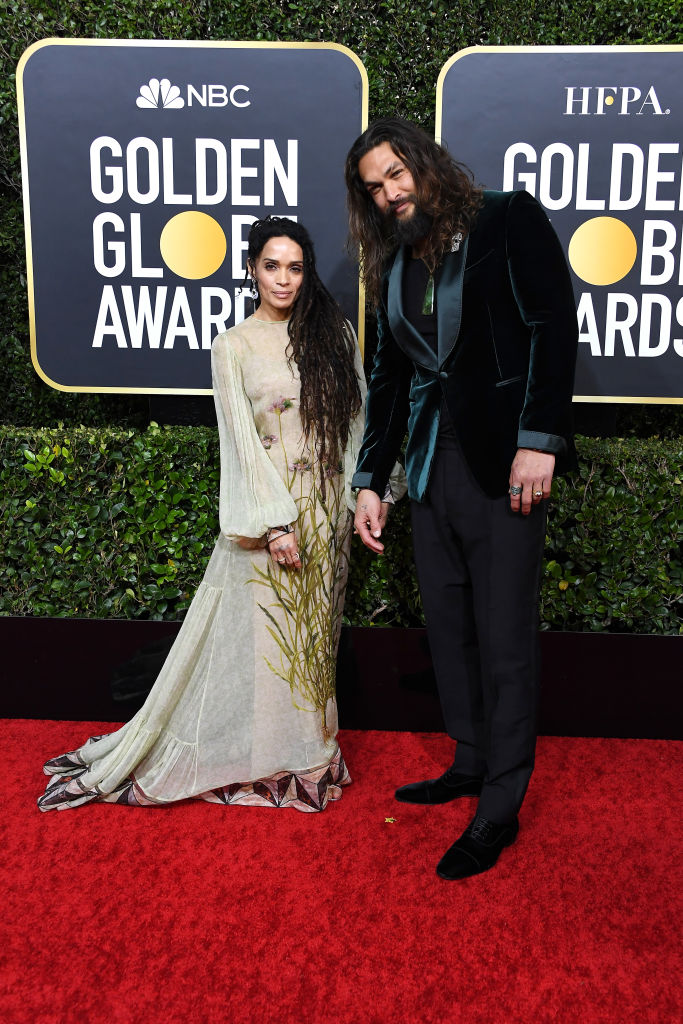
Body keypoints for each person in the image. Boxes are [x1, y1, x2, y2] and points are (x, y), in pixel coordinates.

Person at [38, 216, 369, 814]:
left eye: (295, 267)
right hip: (278, 523)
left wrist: (367, 494)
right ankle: (274, 757)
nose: (284, 279)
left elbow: (358, 422)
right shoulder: (234, 345)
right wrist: (273, 522)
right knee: (269, 641)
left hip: (329, 515)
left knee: (316, 640)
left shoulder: (334, 336)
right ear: (251, 269)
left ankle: (311, 751)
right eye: (272, 266)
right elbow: (239, 442)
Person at [345, 118, 578, 878]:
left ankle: (501, 806)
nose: (389, 192)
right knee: (448, 626)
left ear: (422, 160)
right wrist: (370, 480)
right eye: (374, 187)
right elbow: (387, 380)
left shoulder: (506, 217)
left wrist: (536, 439)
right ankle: (471, 760)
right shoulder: (394, 262)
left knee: (503, 637)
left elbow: (552, 327)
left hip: (504, 463)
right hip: (428, 468)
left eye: (395, 173)